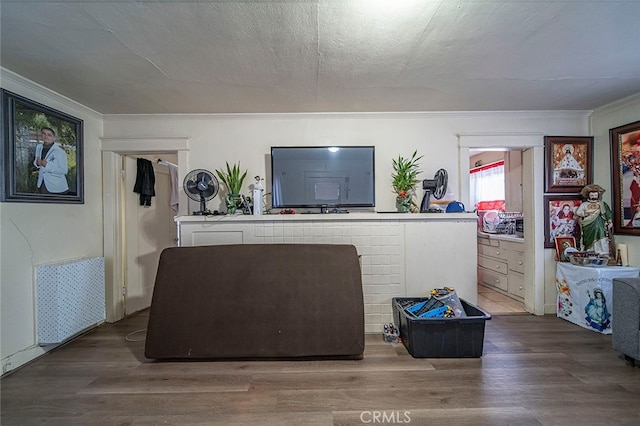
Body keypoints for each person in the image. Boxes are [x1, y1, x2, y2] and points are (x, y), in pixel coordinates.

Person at [575, 184, 613, 255]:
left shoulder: (602, 204)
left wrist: (610, 221)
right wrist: (585, 213)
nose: (594, 197)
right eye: (592, 195)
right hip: (588, 224)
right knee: (589, 238)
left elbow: (608, 213)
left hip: (600, 225)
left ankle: (602, 252)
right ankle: (590, 251)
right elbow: (578, 212)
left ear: (598, 195)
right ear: (588, 195)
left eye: (595, 195)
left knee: (601, 236)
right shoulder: (584, 204)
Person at [33, 127, 69, 194]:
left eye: (49, 135)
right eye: (44, 133)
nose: (46, 136)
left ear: (54, 137)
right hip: (42, 183)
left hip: (56, 187)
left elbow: (64, 170)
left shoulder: (60, 152)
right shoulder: (39, 147)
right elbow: (37, 162)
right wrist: (37, 163)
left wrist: (47, 165)